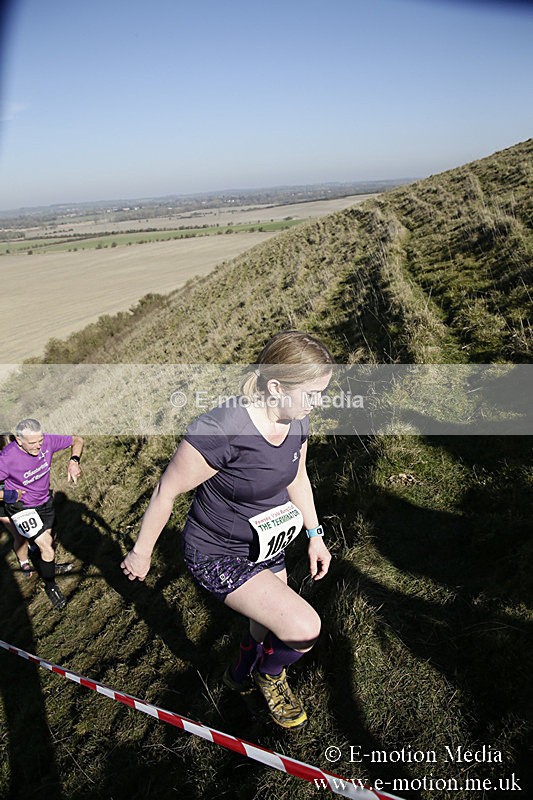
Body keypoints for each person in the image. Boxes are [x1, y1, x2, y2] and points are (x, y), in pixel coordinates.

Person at [121, 331, 333, 729]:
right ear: (275, 386)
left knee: (266, 621)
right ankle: (269, 676)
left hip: (267, 541)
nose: (318, 403)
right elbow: (167, 490)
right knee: (303, 628)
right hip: (217, 552)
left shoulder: (297, 419)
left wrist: (315, 534)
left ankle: (242, 665)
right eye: (312, 393)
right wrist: (142, 552)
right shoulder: (223, 429)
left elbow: (298, 476)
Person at [0, 419, 84, 609]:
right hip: (21, 507)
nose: (39, 446)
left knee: (51, 538)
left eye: (40, 441)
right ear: (19, 441)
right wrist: (9, 494)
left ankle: (47, 564)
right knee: (47, 547)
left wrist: (74, 461)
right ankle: (51, 586)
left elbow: (77, 440)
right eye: (33, 443)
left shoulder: (46, 441)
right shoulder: (6, 458)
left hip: (44, 501)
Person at [0, 433, 33, 577]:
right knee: (19, 535)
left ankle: (38, 551)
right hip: (2, 506)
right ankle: (24, 562)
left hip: (20, 500)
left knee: (33, 530)